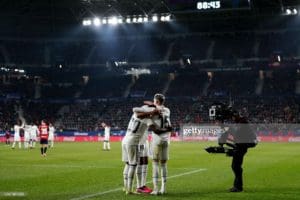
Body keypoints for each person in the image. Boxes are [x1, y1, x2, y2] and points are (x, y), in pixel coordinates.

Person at [218, 112, 257, 192]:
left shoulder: (242, 123)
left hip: (242, 146)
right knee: (236, 166)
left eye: (233, 117)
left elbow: (236, 133)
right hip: (241, 146)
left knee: (236, 166)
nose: (232, 119)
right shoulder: (240, 123)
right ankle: (238, 186)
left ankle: (238, 187)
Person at [149, 94, 172, 195]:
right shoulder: (167, 110)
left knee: (155, 164)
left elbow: (154, 128)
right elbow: (170, 127)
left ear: (157, 101)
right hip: (166, 140)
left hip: (157, 140)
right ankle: (164, 188)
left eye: (154, 101)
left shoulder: (153, 111)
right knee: (163, 164)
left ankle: (156, 189)